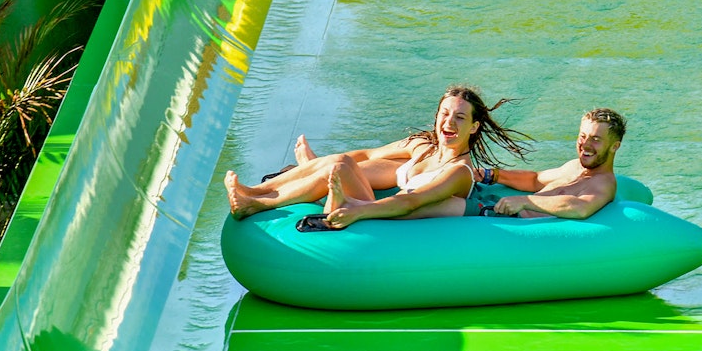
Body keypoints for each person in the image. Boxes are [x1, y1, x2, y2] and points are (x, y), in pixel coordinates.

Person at [224, 85, 530, 224]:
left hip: (381, 214)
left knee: (340, 167)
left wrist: (357, 210)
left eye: (460, 118)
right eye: (445, 114)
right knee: (341, 162)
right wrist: (314, 165)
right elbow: (365, 155)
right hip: (368, 201)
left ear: (474, 127)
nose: (448, 123)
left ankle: (255, 204)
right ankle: (251, 192)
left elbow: (411, 202)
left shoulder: (459, 172)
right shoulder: (422, 147)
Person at [467, 108, 626, 220]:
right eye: (583, 136)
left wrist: (524, 202)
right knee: (459, 177)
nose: (586, 144)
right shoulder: (574, 166)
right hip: (497, 204)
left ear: (614, 146)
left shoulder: (604, 183)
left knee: (449, 204)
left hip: (508, 218)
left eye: (596, 139)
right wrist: (490, 175)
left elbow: (580, 207)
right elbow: (535, 180)